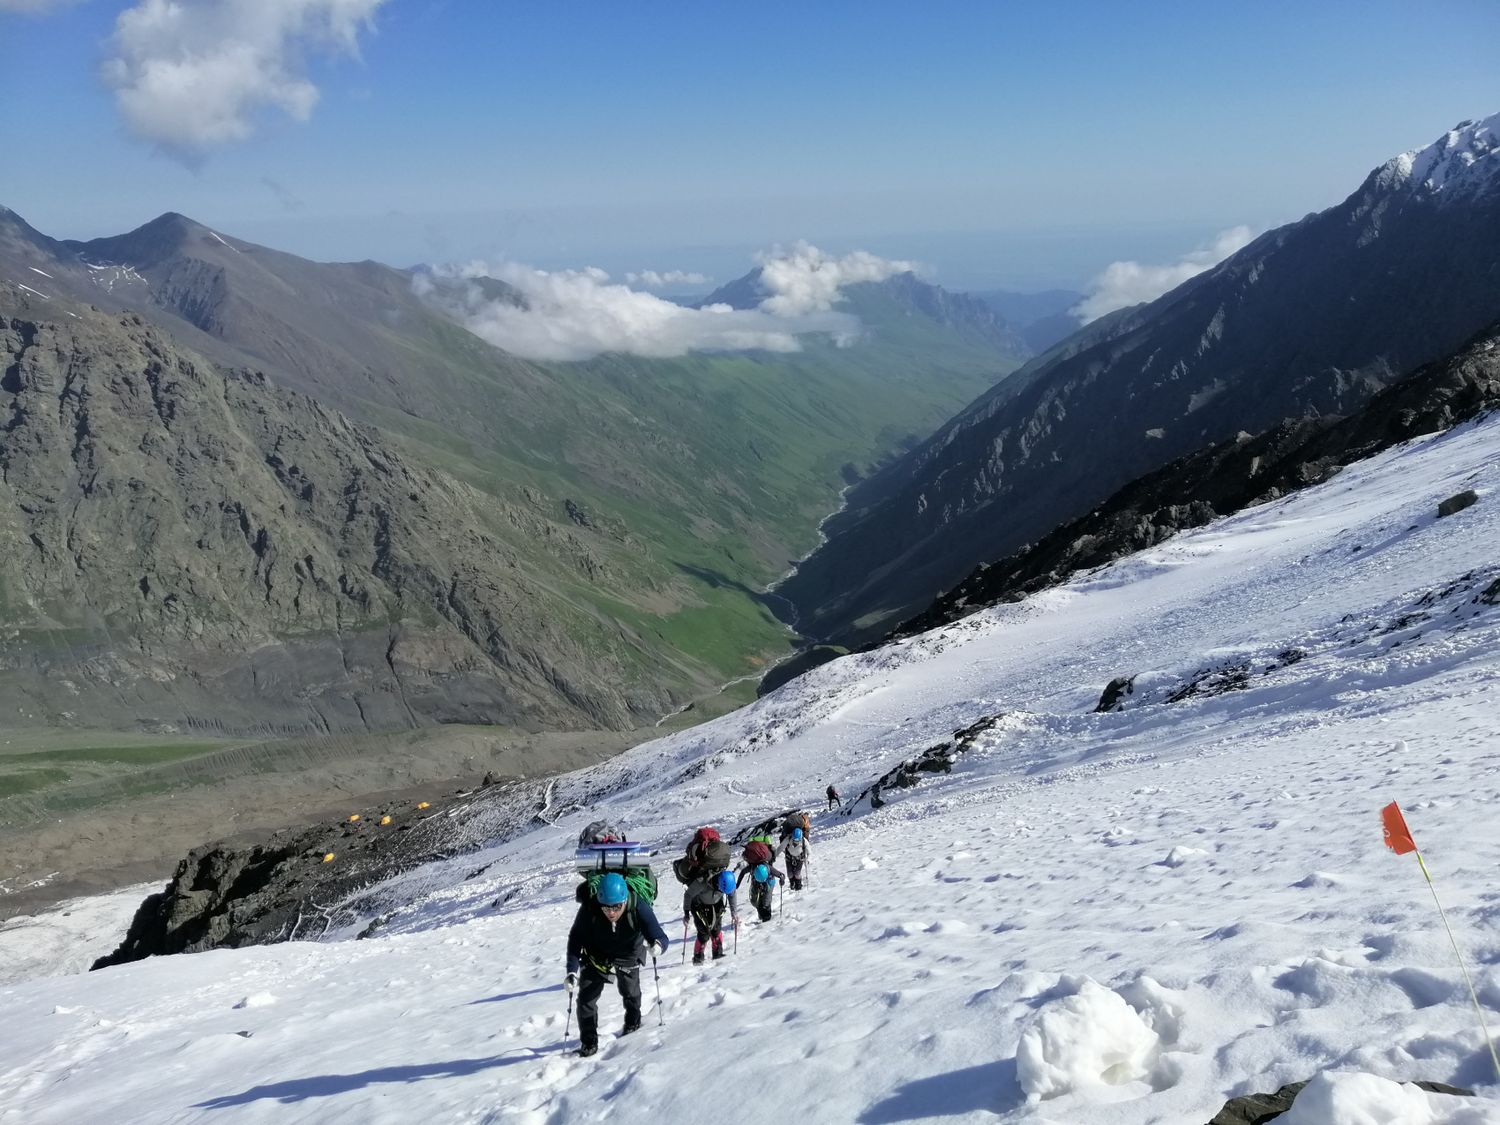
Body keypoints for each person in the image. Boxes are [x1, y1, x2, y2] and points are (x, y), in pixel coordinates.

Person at [565, 872, 669, 1057]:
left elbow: (659, 935)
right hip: (596, 954)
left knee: (631, 993)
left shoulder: (638, 906)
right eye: (606, 908)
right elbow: (576, 939)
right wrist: (571, 971)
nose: (611, 913)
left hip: (628, 952)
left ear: (625, 900)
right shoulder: (591, 907)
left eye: (616, 907)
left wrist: (658, 946)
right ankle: (589, 1042)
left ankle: (632, 1024)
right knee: (586, 1000)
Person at [683, 867, 739, 963]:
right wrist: (686, 914)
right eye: (721, 890)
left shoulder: (728, 882)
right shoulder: (702, 882)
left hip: (716, 903)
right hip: (699, 905)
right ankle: (698, 957)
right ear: (718, 884)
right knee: (704, 932)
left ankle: (718, 953)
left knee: (716, 929)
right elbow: (688, 895)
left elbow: (732, 894)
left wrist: (734, 913)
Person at [781, 826, 810, 891]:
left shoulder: (804, 841)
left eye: (797, 840)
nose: (795, 841)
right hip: (789, 858)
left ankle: (798, 885)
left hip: (800, 858)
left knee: (797, 874)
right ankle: (792, 883)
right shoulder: (788, 839)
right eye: (794, 840)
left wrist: (808, 859)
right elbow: (782, 846)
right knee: (790, 874)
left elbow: (809, 851)